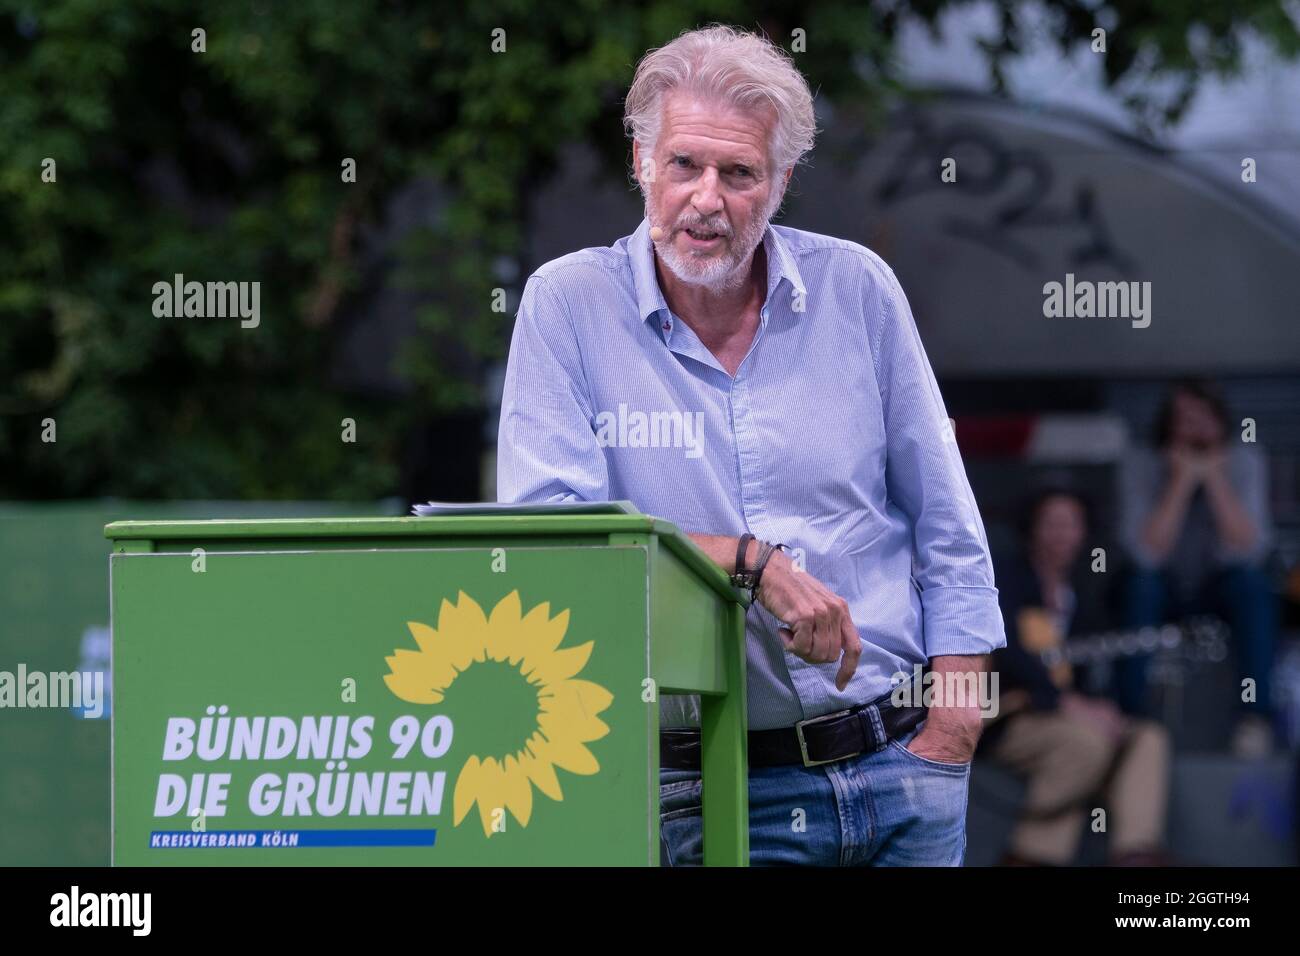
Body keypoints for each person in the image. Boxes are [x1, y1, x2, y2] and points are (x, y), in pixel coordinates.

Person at [495, 25, 1006, 866]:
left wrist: (955, 722)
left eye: (739, 173)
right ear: (640, 162)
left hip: (901, 770)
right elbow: (557, 546)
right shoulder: (568, 307)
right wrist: (747, 562)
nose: (707, 198)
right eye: (685, 164)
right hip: (711, 793)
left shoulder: (858, 290)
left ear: (781, 182)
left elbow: (948, 522)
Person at [982, 488, 1172, 866]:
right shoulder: (1004, 578)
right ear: (1031, 529)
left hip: (1069, 717)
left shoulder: (1084, 591)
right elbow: (1008, 656)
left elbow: (1088, 670)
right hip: (1010, 715)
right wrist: (1070, 704)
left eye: (1071, 524)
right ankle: (1032, 855)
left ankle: (1134, 854)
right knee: (1085, 744)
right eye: (1051, 523)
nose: (1061, 533)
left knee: (1146, 738)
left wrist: (1104, 708)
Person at [1117, 379, 1278, 755]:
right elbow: (1144, 554)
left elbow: (1249, 549)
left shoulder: (1244, 462)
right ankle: (1131, 717)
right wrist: (1181, 482)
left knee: (1253, 586)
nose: (1195, 430)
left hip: (1218, 588)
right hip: (1163, 588)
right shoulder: (1141, 463)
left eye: (1204, 419)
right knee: (1140, 586)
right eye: (1184, 420)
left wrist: (1215, 479)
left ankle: (1255, 718)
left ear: (1221, 422)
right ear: (1168, 426)